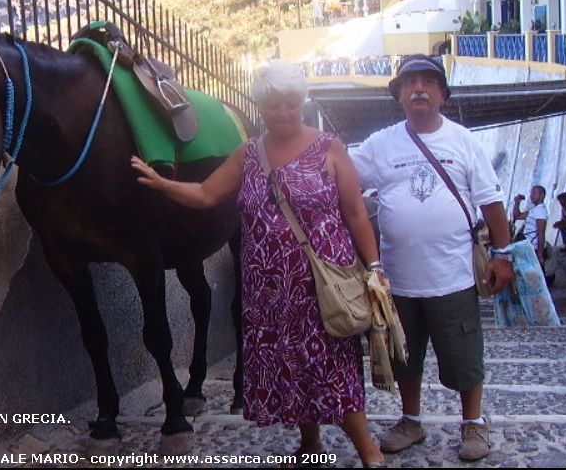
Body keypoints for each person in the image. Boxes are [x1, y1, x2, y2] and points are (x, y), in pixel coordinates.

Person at [131, 61, 386, 467]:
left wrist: (374, 267)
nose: (283, 113)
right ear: (260, 107)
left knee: (330, 367)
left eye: (290, 103)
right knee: (291, 363)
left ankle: (370, 453)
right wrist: (161, 184)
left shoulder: (329, 146)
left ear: (301, 102)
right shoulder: (249, 153)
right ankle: (311, 445)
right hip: (269, 290)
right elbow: (204, 193)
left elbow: (355, 212)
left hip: (321, 285)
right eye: (273, 105)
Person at [349, 54, 514, 462]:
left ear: (442, 94)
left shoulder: (463, 141)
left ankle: (473, 424)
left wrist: (504, 255)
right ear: (399, 95)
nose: (418, 88)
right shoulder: (380, 145)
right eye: (409, 83)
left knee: (464, 357)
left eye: (428, 82)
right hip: (397, 280)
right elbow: (343, 183)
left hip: (452, 277)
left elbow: (491, 201)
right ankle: (411, 420)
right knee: (406, 358)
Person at [513, 185, 548, 269]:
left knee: (533, 274)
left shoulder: (541, 211)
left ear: (542, 195)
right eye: (531, 193)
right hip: (528, 246)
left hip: (533, 249)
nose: (531, 196)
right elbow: (517, 216)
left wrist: (540, 255)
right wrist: (517, 203)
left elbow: (541, 234)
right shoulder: (535, 209)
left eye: (534, 193)